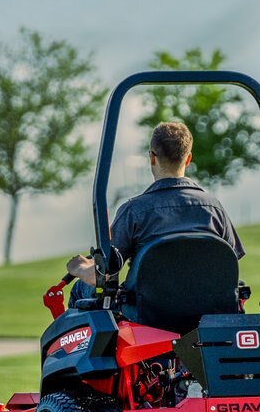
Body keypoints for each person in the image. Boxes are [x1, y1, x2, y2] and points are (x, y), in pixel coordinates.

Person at [66, 121, 244, 301]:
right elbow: (229, 262)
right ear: (188, 159)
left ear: (152, 157)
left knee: (81, 289)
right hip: (207, 308)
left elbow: (102, 277)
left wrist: (80, 267)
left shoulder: (133, 212)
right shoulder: (214, 208)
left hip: (148, 313)